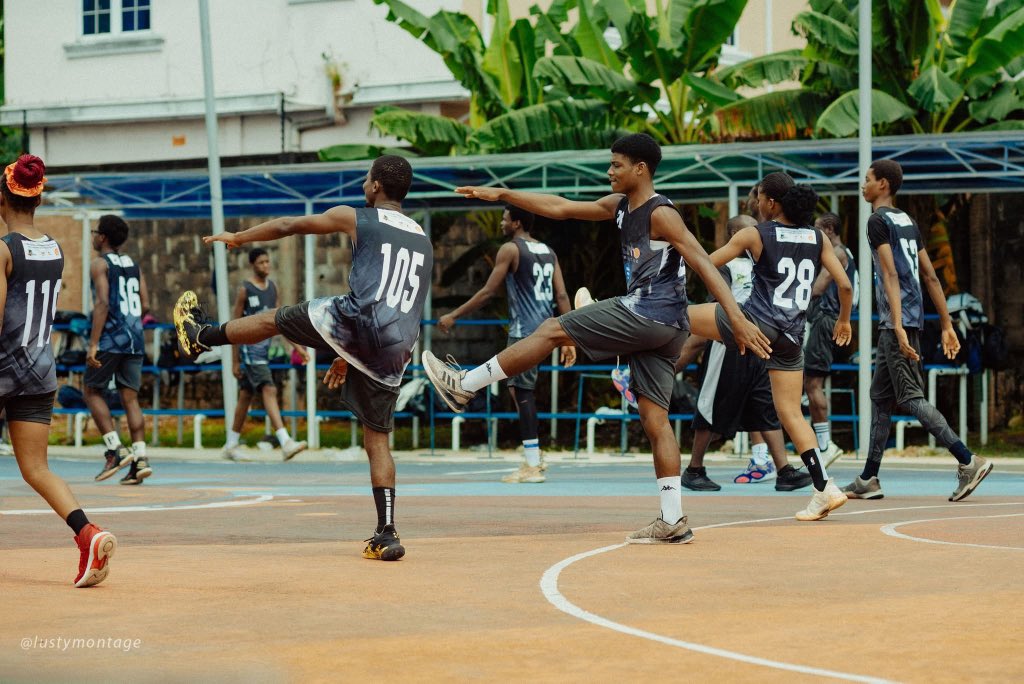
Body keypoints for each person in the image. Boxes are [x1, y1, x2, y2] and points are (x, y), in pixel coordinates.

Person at [423, 133, 772, 544]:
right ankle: (672, 519)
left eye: (617, 165)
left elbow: (703, 263)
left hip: (647, 312)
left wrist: (738, 318)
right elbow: (561, 207)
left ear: (640, 169)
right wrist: (503, 193)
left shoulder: (662, 214)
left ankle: (465, 385)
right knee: (655, 421)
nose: (609, 171)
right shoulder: (621, 207)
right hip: (667, 328)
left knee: (553, 329)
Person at [173, 155, 431, 561]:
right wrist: (347, 353)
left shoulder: (359, 217)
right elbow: (406, 302)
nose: (365, 184)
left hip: (358, 320)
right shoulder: (420, 236)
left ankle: (201, 337)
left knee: (273, 319)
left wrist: (240, 237)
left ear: (377, 186)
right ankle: (387, 531)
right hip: (397, 344)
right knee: (377, 440)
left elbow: (290, 225)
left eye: (367, 178)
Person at [686, 171, 855, 521]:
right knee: (792, 414)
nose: (756, 202)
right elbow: (845, 286)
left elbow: (706, 264)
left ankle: (615, 310)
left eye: (760, 196)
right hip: (792, 338)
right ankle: (824, 488)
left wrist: (674, 250)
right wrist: (844, 320)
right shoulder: (818, 238)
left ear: (772, 202)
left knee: (680, 315)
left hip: (755, 325)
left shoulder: (755, 233)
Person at [841, 159, 992, 502]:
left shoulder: (877, 221)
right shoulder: (907, 220)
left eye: (866, 180)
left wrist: (896, 324)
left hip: (899, 323)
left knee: (911, 398)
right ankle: (869, 478)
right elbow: (931, 276)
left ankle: (968, 460)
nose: (862, 185)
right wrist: (947, 324)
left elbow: (891, 274)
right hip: (908, 319)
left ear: (883, 185)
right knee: (880, 398)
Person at [0, 154, 116, 586]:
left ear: (2, 198)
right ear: (38, 199)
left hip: (3, 367)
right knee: (37, 469)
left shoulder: (3, 250)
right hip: (39, 371)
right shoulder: (53, 247)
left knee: (33, 469)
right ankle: (87, 532)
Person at [437, 207, 575, 483]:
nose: (501, 223)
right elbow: (561, 294)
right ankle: (533, 457)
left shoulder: (511, 250)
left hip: (524, 332)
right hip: (547, 332)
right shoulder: (548, 251)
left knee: (522, 392)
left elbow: (488, 291)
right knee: (521, 391)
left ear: (517, 222)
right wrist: (567, 337)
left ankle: (533, 464)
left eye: (504, 218)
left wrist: (454, 314)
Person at [679, 214, 812, 493]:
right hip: (729, 341)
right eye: (751, 230)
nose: (758, 234)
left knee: (766, 405)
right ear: (736, 236)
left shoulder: (764, 263)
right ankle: (694, 469)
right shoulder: (727, 264)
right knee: (711, 404)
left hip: (760, 342)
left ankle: (784, 470)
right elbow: (719, 301)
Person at [222, 247, 309, 461]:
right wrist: (234, 360)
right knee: (269, 389)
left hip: (264, 350)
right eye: (261, 262)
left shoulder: (273, 289)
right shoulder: (245, 289)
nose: (266, 266)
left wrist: (297, 348)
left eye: (268, 262)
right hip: (249, 350)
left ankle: (231, 444)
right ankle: (285, 441)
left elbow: (279, 323)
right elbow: (233, 326)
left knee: (245, 396)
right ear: (253, 264)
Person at [85, 214, 153, 486]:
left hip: (112, 338)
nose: (92, 236)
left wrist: (93, 343)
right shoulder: (134, 265)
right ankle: (141, 459)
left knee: (90, 391)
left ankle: (115, 448)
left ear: (102, 237)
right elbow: (145, 304)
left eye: (94, 232)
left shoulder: (99, 264)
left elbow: (102, 302)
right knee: (130, 398)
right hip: (135, 338)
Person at [803, 211, 858, 468]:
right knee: (808, 383)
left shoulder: (836, 253)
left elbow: (817, 288)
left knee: (813, 383)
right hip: (828, 320)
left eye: (817, 229)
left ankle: (826, 445)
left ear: (828, 229)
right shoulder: (842, 252)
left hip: (826, 320)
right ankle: (822, 444)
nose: (814, 234)